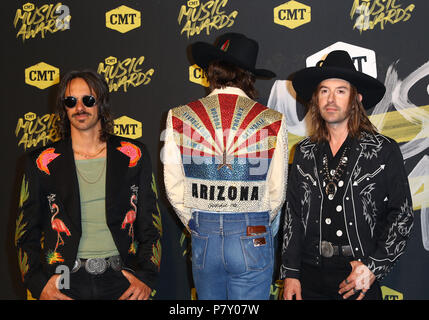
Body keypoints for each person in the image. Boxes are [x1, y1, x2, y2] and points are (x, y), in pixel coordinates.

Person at [15, 70, 162, 300]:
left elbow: (150, 225)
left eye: (88, 100)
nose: (79, 108)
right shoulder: (40, 162)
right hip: (64, 282)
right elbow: (25, 232)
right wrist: (39, 284)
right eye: (71, 101)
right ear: (64, 107)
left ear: (101, 103)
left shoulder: (134, 154)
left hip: (122, 281)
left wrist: (146, 277)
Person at [163, 32, 288, 299]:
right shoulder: (272, 119)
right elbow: (277, 192)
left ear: (211, 71)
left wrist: (195, 221)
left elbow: (173, 185)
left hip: (203, 233)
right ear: (249, 75)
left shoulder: (179, 116)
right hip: (252, 230)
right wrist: (257, 220)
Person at [281, 50, 414, 300]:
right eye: (324, 91)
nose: (331, 99)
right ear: (316, 99)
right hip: (309, 277)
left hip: (357, 276)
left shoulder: (383, 149)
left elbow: (402, 214)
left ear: (357, 98)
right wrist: (291, 273)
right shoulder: (303, 152)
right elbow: (293, 218)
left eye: (340, 91)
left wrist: (373, 267)